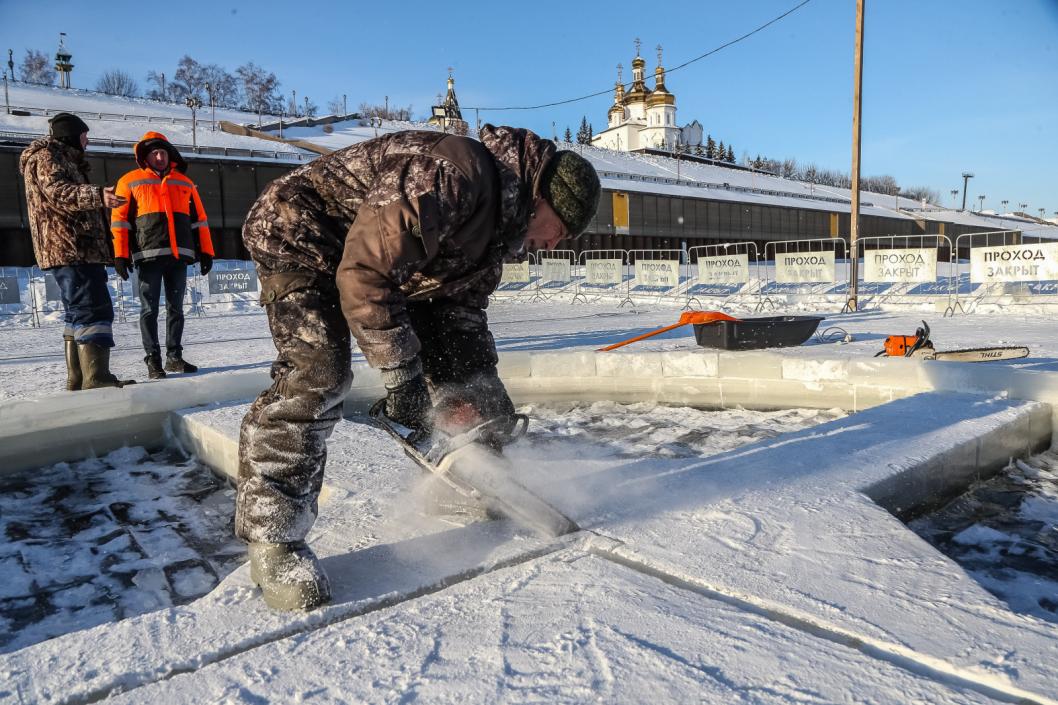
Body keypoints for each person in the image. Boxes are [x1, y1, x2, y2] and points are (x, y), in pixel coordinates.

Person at [237, 124, 600, 610]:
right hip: (300, 235)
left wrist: (484, 424)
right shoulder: (451, 172)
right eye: (562, 232)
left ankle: (477, 477)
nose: (556, 246)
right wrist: (400, 373)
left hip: (381, 262)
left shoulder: (498, 235)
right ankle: (273, 538)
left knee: (462, 362)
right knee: (318, 372)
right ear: (543, 202)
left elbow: (462, 325)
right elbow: (366, 272)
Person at [18, 112, 134, 390]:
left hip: (72, 248)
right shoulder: (47, 157)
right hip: (72, 247)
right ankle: (97, 378)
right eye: (84, 136)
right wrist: (97, 196)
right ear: (70, 135)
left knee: (77, 312)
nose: (88, 142)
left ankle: (79, 377)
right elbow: (57, 191)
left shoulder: (60, 158)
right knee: (93, 309)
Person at [110, 131, 214, 379]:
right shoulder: (129, 181)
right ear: (145, 157)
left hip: (179, 257)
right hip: (148, 256)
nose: (159, 157)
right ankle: (153, 360)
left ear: (170, 155)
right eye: (155, 153)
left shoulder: (185, 183)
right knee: (149, 310)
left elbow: (200, 220)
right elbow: (120, 221)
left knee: (176, 309)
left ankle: (174, 358)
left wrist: (207, 251)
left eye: (163, 152)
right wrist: (120, 255)